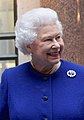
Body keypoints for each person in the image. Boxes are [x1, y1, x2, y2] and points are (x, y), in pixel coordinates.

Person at [0, 8, 84, 120]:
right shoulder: (11, 78)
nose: (57, 45)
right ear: (29, 45)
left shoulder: (81, 76)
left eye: (58, 37)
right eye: (48, 40)